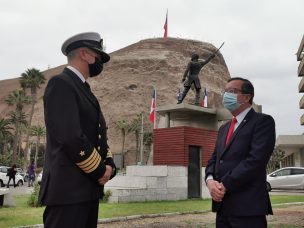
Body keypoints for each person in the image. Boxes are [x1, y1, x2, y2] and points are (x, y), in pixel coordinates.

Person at [38, 32, 117, 228]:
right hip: (68, 192)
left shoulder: (84, 90)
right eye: (97, 56)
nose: (100, 61)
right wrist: (100, 170)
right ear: (84, 54)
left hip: (87, 190)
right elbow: (70, 137)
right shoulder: (61, 84)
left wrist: (110, 166)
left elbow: (98, 135)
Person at [205, 77, 276, 228]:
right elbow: (215, 159)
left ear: (247, 97)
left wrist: (225, 184)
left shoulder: (262, 122)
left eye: (232, 91)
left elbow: (255, 160)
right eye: (225, 91)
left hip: (247, 208)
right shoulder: (224, 128)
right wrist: (210, 181)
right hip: (222, 207)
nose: (226, 95)